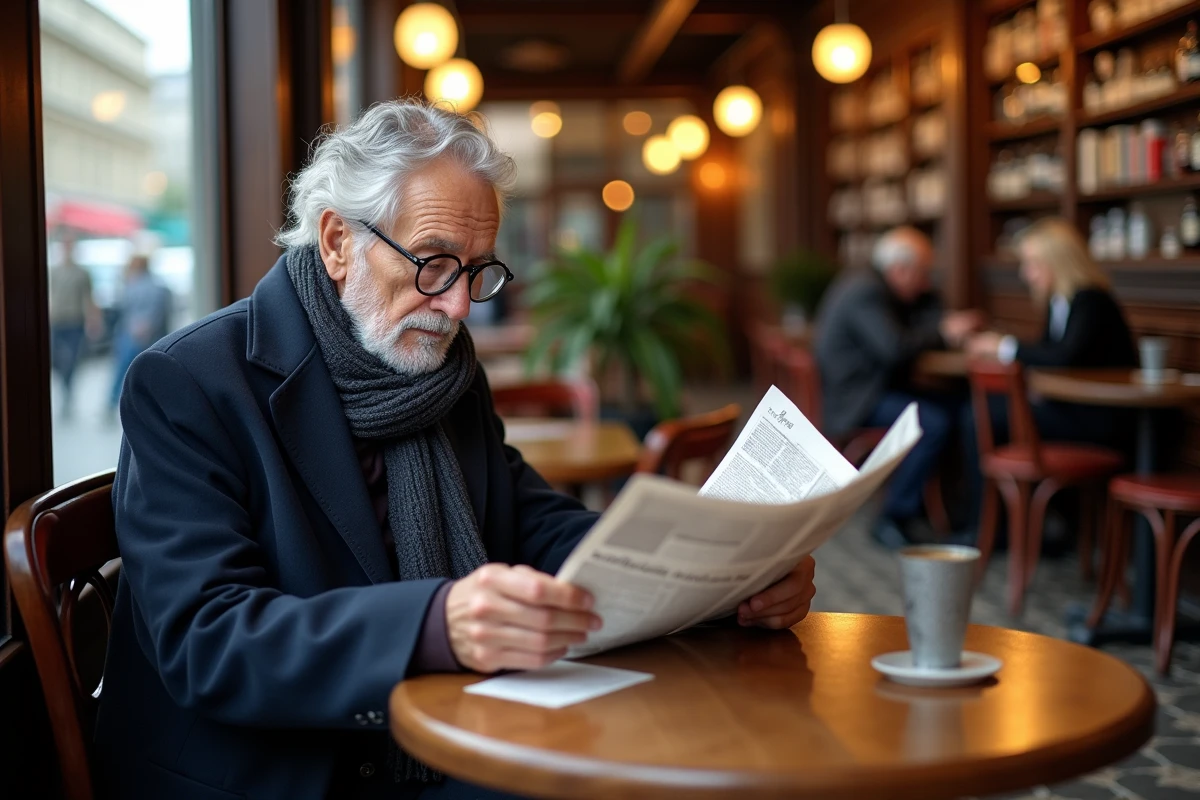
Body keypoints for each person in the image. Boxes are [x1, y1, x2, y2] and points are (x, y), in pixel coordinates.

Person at [94, 100, 818, 800]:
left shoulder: (440, 368)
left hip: (440, 729)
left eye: (478, 271)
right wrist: (435, 625)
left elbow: (529, 520)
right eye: (434, 263)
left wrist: (712, 573)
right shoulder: (188, 382)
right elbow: (208, 641)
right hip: (281, 769)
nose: (459, 306)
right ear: (339, 241)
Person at [814, 227, 983, 548]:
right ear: (899, 269)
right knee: (930, 423)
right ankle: (893, 515)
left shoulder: (874, 285)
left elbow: (924, 315)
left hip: (869, 389)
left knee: (960, 406)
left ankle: (958, 508)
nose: (926, 282)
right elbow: (895, 349)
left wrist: (936, 313)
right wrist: (945, 331)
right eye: (923, 273)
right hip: (856, 400)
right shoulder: (865, 292)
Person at [965, 216, 1137, 450]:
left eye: (1032, 264)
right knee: (981, 411)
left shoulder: (1092, 300)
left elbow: (1063, 357)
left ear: (1057, 262)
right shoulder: (1059, 300)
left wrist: (1002, 346)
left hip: (1099, 418)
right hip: (1071, 408)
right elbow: (1045, 351)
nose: (1025, 274)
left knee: (978, 416)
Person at [108, 253, 172, 418]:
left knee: (123, 368)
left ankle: (112, 402)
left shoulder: (134, 285)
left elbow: (123, 309)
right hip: (149, 334)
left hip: (132, 334)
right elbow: (161, 312)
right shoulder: (158, 286)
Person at [48, 235, 100, 419]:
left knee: (71, 359)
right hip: (57, 320)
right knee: (57, 359)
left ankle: (68, 393)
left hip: (74, 320)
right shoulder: (54, 271)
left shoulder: (82, 273)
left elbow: (89, 297)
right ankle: (64, 388)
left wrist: (93, 321)